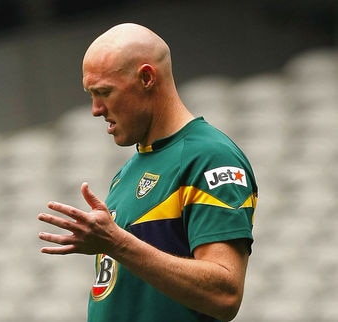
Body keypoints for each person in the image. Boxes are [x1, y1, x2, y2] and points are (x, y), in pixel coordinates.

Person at [37, 23, 258, 322]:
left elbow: (225, 294)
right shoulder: (127, 173)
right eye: (91, 94)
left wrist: (116, 242)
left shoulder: (209, 157)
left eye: (104, 92)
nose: (96, 109)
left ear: (146, 78)